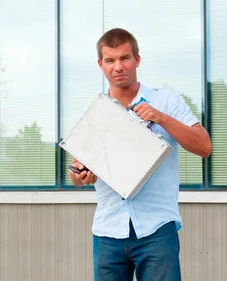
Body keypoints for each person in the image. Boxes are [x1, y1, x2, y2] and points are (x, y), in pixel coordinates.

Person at [70, 28, 212, 281]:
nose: (118, 67)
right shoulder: (92, 113)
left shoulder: (167, 101)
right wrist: (81, 175)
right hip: (108, 232)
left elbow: (204, 147)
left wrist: (161, 118)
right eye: (110, 60)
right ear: (100, 64)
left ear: (137, 59)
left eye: (125, 58)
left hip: (156, 229)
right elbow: (76, 174)